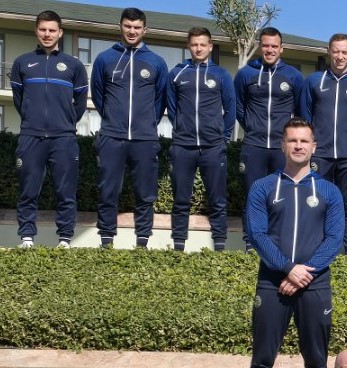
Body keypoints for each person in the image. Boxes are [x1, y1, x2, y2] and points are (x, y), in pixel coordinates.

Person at [246, 117, 344, 368]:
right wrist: (289, 269)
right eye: (293, 140)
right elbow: (258, 235)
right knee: (263, 358)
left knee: (316, 361)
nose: (298, 146)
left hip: (315, 284)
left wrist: (303, 272)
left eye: (304, 141)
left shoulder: (329, 191)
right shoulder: (263, 187)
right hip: (272, 282)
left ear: (314, 147)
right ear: (282, 145)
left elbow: (334, 239)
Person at [91, 7, 168, 249]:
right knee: (108, 190)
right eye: (127, 26)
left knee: (145, 192)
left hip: (145, 138)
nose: (132, 31)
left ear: (144, 30)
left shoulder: (157, 62)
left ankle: (142, 242)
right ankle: (106, 241)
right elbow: (99, 95)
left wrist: (147, 123)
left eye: (136, 27)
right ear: (120, 27)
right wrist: (112, 119)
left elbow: (160, 100)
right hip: (112, 136)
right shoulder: (105, 59)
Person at [12, 10, 89, 249]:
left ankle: (65, 239)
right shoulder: (22, 63)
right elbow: (19, 100)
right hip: (31, 136)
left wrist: (65, 122)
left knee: (66, 192)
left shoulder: (74, 66)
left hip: (63, 138)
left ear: (60, 33)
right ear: (36, 31)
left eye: (52, 30)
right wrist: (33, 120)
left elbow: (80, 104)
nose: (47, 34)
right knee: (28, 191)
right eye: (43, 29)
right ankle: (27, 238)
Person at [303, 34, 347, 254]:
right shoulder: (314, 81)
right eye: (336, 51)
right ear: (329, 51)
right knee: (317, 203)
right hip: (320, 155)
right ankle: (319, 252)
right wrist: (314, 144)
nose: (340, 56)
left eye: (344, 52)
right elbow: (306, 116)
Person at [164, 27, 233, 253]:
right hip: (183, 146)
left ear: (210, 46)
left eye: (203, 44)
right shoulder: (176, 73)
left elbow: (230, 110)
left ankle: (219, 246)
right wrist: (181, 128)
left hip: (213, 147)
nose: (199, 48)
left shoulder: (221, 75)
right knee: (181, 199)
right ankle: (179, 246)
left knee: (218, 200)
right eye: (194, 44)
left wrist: (222, 137)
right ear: (188, 46)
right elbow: (172, 108)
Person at [235, 27, 304, 195]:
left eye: (274, 46)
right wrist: (251, 126)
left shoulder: (294, 76)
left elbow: (300, 111)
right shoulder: (245, 74)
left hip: (283, 147)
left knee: (282, 197)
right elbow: (239, 107)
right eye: (266, 45)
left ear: (281, 48)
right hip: (254, 145)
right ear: (260, 46)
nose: (270, 50)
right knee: (253, 195)